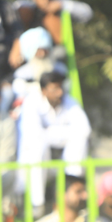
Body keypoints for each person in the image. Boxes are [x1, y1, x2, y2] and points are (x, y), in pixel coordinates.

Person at [17, 72, 91, 209]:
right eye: (55, 89)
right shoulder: (31, 102)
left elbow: (85, 130)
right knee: (38, 146)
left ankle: (72, 188)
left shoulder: (69, 101)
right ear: (43, 91)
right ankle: (37, 205)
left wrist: (49, 131)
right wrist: (65, 132)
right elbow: (34, 136)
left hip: (61, 162)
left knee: (79, 141)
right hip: (33, 165)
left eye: (61, 87)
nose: (60, 92)